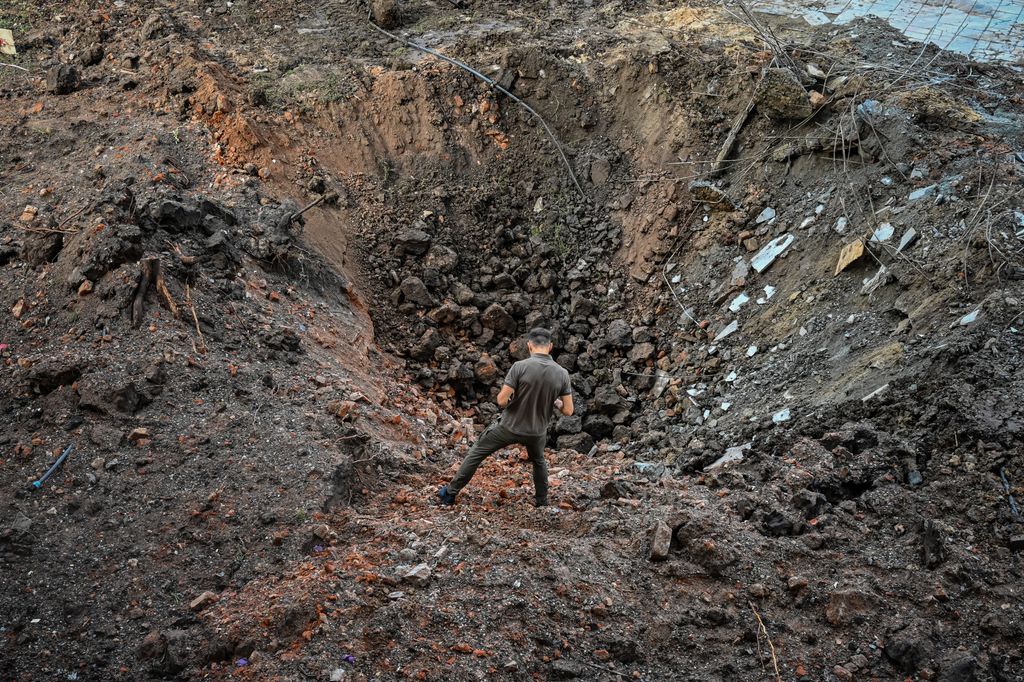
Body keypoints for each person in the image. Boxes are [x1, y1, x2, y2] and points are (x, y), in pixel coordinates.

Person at [438, 327, 573, 507]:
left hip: (509, 427)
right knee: (539, 461)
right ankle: (542, 501)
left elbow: (501, 400)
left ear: (529, 345)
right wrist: (555, 402)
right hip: (536, 432)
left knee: (476, 452)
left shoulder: (520, 367)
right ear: (550, 347)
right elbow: (568, 411)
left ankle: (449, 494)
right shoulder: (562, 373)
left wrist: (517, 395)